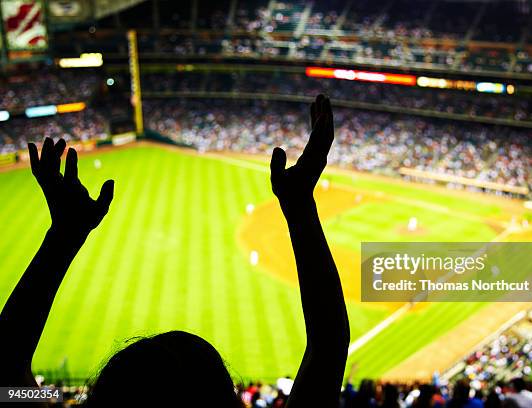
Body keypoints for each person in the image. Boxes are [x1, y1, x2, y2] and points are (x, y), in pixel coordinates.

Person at [0, 94, 350, 407]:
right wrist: (300, 205)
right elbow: (330, 343)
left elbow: (7, 373)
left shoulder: (53, 397)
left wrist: (64, 235)